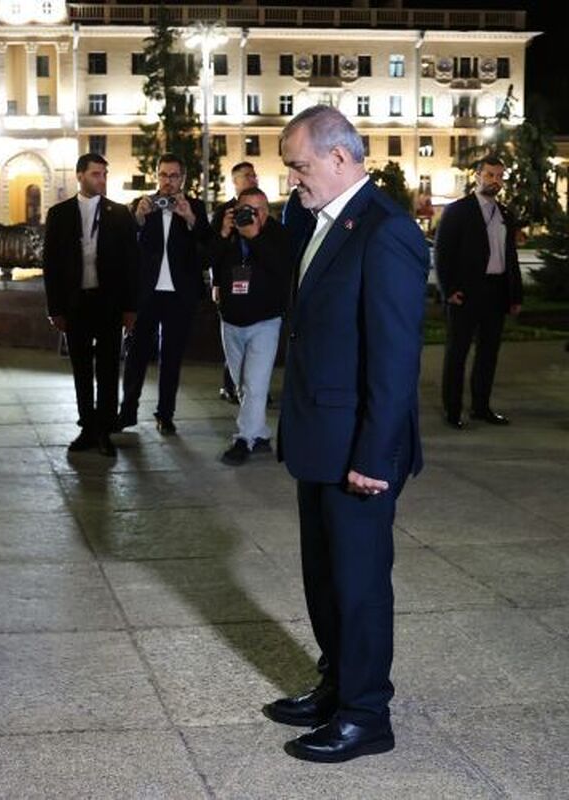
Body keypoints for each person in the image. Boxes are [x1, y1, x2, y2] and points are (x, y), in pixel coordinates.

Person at [266, 105, 428, 762]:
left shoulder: (386, 231)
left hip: (358, 450)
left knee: (359, 586)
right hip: (319, 440)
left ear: (338, 157)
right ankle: (336, 685)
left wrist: (373, 455)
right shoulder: (324, 221)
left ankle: (367, 715)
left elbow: (395, 358)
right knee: (324, 578)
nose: (292, 181)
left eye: (299, 166)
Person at [42, 153, 139, 457]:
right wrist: (55, 308)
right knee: (81, 368)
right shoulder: (59, 214)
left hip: (108, 303)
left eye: (104, 174)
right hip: (75, 304)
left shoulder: (119, 214)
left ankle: (105, 430)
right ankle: (87, 426)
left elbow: (130, 265)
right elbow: (51, 265)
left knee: (109, 369)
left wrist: (130, 308)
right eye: (96, 174)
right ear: (80, 176)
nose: (102, 179)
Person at [117, 153, 213, 435]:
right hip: (147, 294)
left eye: (173, 176)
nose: (168, 181)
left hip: (180, 295)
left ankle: (165, 414)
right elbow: (126, 245)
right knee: (136, 356)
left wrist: (191, 218)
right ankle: (128, 412)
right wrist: (138, 219)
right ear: (156, 176)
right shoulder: (143, 204)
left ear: (182, 178)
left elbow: (207, 244)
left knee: (171, 358)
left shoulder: (194, 206)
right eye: (163, 175)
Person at [434, 154, 523, 429]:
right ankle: (453, 411)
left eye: (499, 176)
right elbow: (442, 253)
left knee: (489, 354)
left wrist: (515, 295)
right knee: (457, 354)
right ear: (477, 176)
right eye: (489, 175)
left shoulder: (505, 214)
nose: (495, 181)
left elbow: (510, 257)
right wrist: (448, 290)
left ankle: (481, 407)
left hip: (496, 294)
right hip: (465, 293)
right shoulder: (458, 211)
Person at [208, 186, 290, 465]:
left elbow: (282, 269)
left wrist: (254, 238)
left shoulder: (278, 234)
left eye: (254, 211)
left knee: (255, 384)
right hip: (230, 320)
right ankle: (261, 434)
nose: (248, 215)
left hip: (265, 321)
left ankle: (243, 439)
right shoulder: (227, 231)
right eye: (243, 209)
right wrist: (222, 233)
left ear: (265, 212)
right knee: (243, 383)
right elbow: (207, 261)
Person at [211, 161, 259, 404]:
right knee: (231, 336)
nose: (253, 179)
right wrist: (216, 282)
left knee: (254, 337)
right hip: (231, 278)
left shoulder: (260, 208)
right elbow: (215, 250)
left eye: (254, 175)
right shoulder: (224, 210)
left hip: (255, 279)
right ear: (235, 181)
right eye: (247, 176)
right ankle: (230, 385)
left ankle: (254, 386)